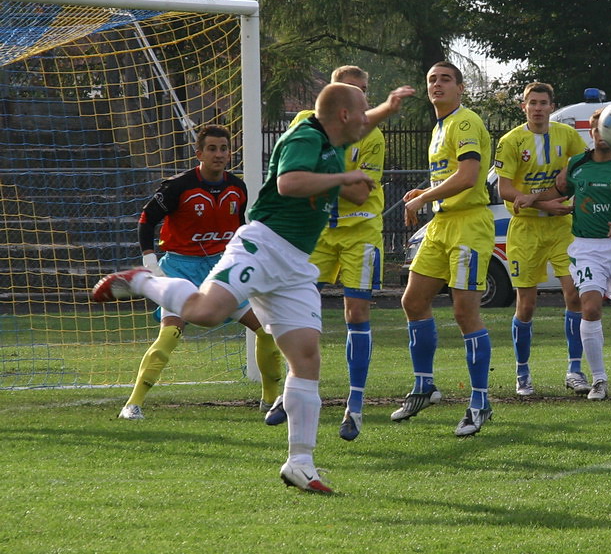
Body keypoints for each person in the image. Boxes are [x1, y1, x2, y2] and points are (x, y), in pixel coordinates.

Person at [93, 82, 413, 494]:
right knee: (207, 313)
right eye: (364, 109)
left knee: (307, 356)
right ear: (344, 116)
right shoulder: (305, 136)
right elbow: (289, 184)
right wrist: (346, 177)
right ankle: (141, 280)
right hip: (261, 246)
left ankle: (301, 463)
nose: (368, 119)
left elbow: (363, 123)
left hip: (296, 264)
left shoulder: (335, 136)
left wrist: (389, 105)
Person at [118, 124, 283, 421]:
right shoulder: (177, 186)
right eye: (212, 149)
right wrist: (149, 259)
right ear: (199, 154)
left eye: (223, 148)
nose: (219, 154)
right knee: (170, 332)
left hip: (221, 268)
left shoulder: (237, 187)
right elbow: (146, 220)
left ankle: (270, 401)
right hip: (180, 267)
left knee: (266, 329)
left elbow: (239, 226)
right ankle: (132, 404)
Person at [264, 66, 387, 441]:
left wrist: (324, 175)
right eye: (356, 92)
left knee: (356, 311)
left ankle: (356, 405)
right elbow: (294, 175)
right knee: (295, 307)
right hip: (317, 231)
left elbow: (361, 193)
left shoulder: (373, 136)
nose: (363, 102)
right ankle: (292, 389)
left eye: (366, 92)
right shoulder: (304, 123)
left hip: (360, 230)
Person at [515, 106, 611, 401]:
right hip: (587, 249)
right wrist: (533, 198)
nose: (601, 134)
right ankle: (599, 379)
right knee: (591, 308)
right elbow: (558, 189)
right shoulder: (577, 164)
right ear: (592, 133)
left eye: (606, 129)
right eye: (597, 129)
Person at [393, 61, 495, 436]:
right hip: (442, 224)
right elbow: (451, 177)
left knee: (465, 312)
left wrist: (422, 200)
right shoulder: (440, 128)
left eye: (445, 80)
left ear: (460, 88)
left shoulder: (464, 121)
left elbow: (468, 176)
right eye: (432, 79)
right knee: (413, 301)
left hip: (469, 226)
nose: (437, 85)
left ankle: (480, 403)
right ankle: (424, 386)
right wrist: (426, 193)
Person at [494, 82, 587, 397]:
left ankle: (575, 369)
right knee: (527, 304)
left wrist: (570, 175)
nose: (537, 108)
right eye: (532, 102)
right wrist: (542, 202)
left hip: (563, 228)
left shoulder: (567, 135)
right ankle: (522, 373)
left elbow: (583, 168)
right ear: (523, 107)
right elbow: (503, 189)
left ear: (551, 106)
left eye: (543, 102)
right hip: (526, 230)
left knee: (574, 294)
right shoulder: (511, 141)